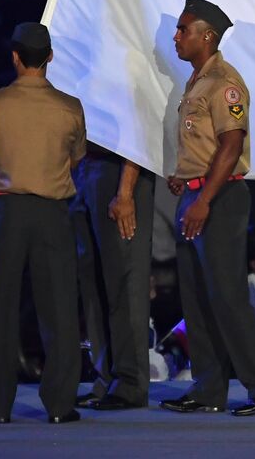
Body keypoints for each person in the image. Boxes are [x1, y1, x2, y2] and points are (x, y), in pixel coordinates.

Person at [161, 0, 255, 417]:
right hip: (196, 195)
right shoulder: (198, 80)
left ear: (207, 36)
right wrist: (188, 177)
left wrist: (204, 198)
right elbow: (207, 145)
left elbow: (232, 145)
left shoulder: (224, 82)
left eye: (183, 30)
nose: (176, 37)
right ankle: (207, 387)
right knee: (196, 296)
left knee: (226, 295)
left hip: (219, 199)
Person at [0, 22, 86, 424]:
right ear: (50, 57)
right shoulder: (70, 107)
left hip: (6, 212)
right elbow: (77, 156)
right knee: (60, 310)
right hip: (52, 214)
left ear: (15, 57)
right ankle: (59, 405)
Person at [69, 138, 156, 410]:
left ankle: (130, 382)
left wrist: (126, 192)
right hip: (83, 166)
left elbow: (139, 128)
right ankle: (105, 377)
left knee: (125, 281)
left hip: (118, 170)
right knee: (92, 281)